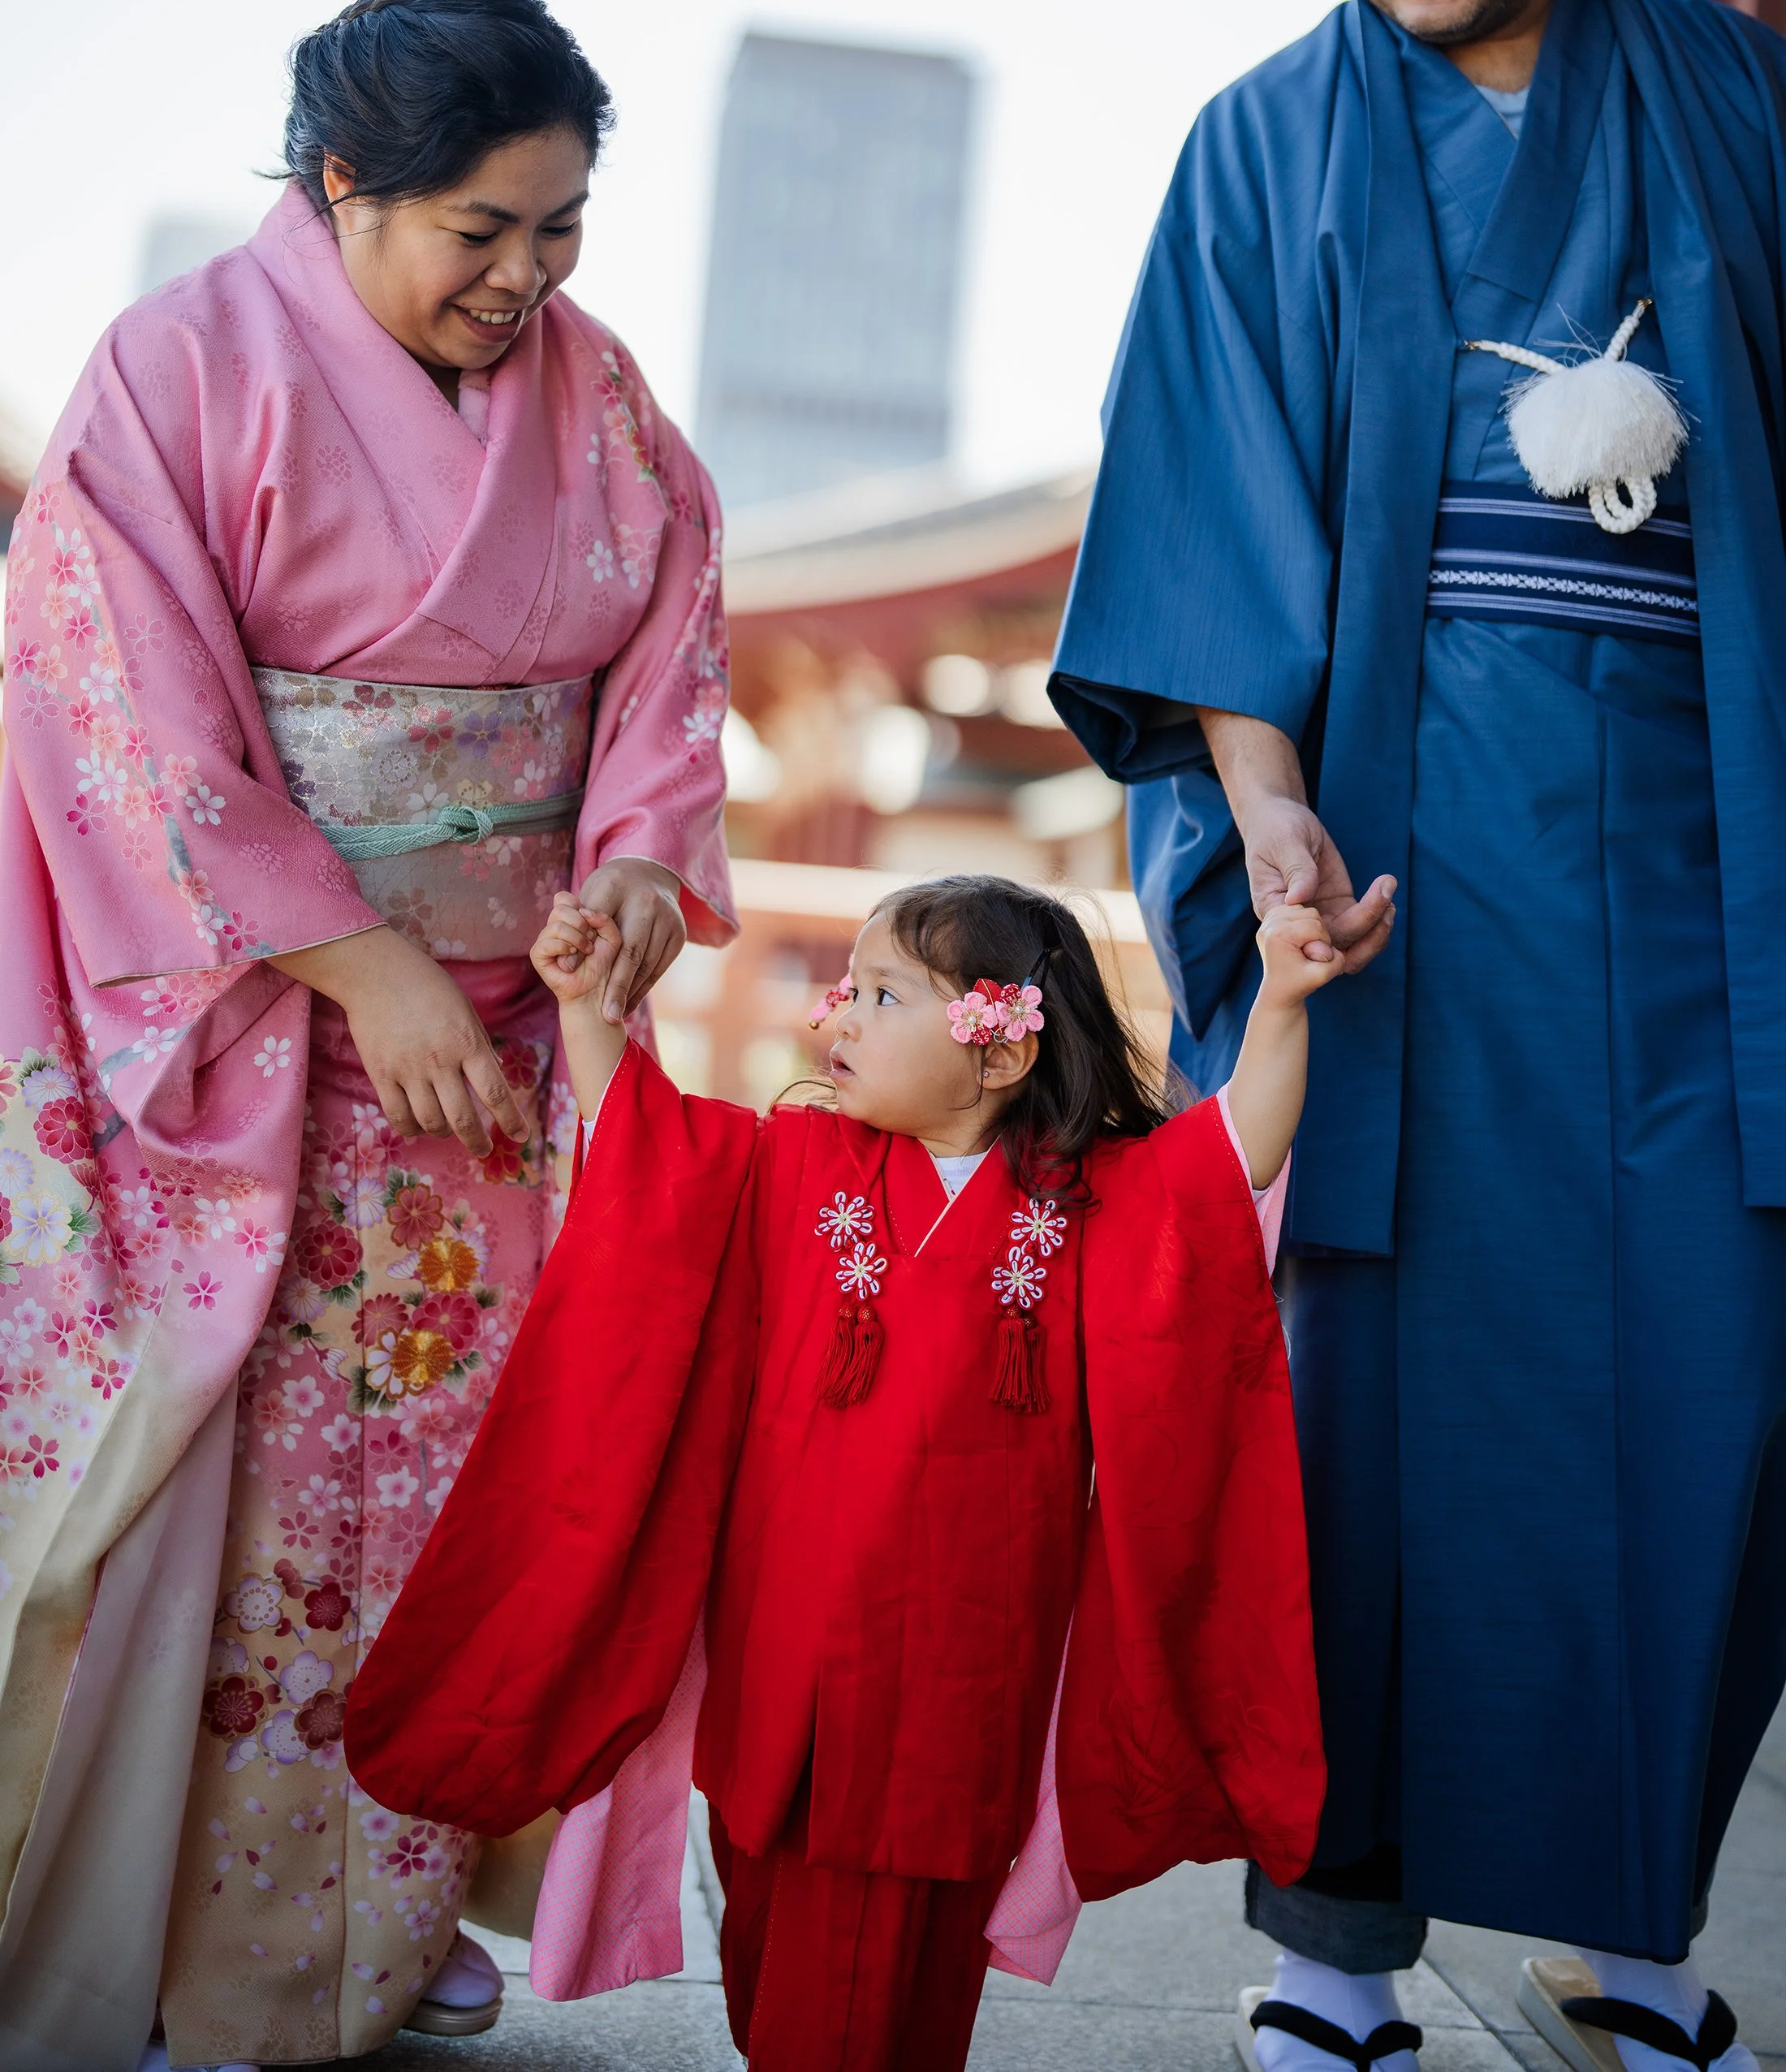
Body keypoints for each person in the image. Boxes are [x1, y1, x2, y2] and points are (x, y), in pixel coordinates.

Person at [1050, 0, 1786, 2072]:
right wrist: (1264, 811)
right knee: (1357, 1403)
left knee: (1704, 1372)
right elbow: (1206, 517)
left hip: (1697, 856)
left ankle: (1630, 1927)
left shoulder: (1740, 103)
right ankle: (1330, 1956)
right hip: (1383, 850)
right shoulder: (1262, 139)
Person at [0, 0, 736, 2072]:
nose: (526, 276)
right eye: (479, 228)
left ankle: (381, 1932)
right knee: (227, 1514)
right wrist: (354, 955)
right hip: (250, 1035)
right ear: (341, 184)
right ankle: (182, 1953)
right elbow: (113, 705)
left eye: (561, 227)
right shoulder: (177, 368)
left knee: (453, 1493)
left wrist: (629, 868)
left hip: (500, 1055)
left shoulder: (602, 399)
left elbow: (667, 665)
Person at [344, 870, 1333, 2072]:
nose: (839, 1018)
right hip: (792, 1640)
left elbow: (1227, 1165)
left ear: (1000, 1045)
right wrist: (587, 1006)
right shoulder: (794, 1161)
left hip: (970, 1663)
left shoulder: (1087, 1202)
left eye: (882, 995)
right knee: (777, 1915)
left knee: (921, 1939)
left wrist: (1282, 1003)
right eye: (847, 990)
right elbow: (652, 1154)